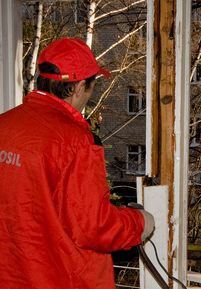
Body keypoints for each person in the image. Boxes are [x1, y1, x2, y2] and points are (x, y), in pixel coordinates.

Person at [0, 38, 154, 289]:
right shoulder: (75, 140)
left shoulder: (3, 125)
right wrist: (139, 223)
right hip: (61, 277)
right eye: (92, 87)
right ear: (79, 87)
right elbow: (93, 227)